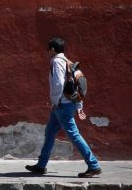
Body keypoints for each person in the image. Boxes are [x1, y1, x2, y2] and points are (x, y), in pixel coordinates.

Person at [25, 37, 102, 178]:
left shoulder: (56, 61)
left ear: (53, 49)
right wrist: (77, 104)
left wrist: (55, 100)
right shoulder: (68, 61)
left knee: (74, 135)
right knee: (49, 132)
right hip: (65, 105)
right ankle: (41, 165)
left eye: (48, 49)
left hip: (62, 105)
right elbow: (74, 83)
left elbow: (59, 83)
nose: (48, 52)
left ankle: (93, 165)